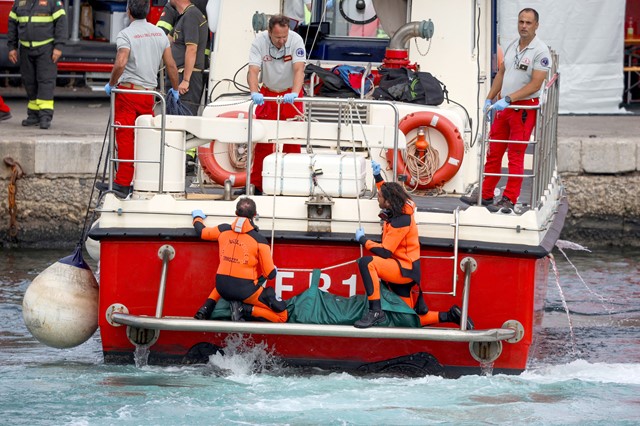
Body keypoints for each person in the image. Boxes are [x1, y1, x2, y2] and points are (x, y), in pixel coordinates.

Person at [353, 160, 474, 329]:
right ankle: (449, 315)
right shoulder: (403, 204)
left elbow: (386, 251)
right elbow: (388, 192)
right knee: (407, 320)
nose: (377, 198)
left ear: (388, 202)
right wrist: (377, 175)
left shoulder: (400, 221)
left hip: (402, 269)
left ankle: (375, 311)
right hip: (405, 269)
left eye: (379, 197)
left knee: (367, 263)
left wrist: (363, 240)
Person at [461, 8, 551, 212]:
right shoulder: (513, 46)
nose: (524, 26)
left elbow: (536, 84)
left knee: (516, 155)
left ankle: (509, 198)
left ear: (536, 25)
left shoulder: (540, 52)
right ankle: (485, 194)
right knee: (494, 151)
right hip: (504, 107)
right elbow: (502, 72)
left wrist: (510, 98)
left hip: (523, 108)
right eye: (521, 22)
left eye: (528, 23)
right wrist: (490, 97)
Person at [96, 0, 180, 198]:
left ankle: (122, 184)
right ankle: (143, 179)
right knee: (144, 136)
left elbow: (121, 62)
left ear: (128, 12)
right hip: (149, 95)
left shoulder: (125, 34)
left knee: (125, 136)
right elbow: (171, 66)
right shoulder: (159, 34)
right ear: (148, 11)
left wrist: (112, 83)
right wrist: (175, 89)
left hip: (128, 93)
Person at [237, 14, 306, 196]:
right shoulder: (259, 42)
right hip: (267, 93)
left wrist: (294, 93)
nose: (282, 41)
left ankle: (293, 186)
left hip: (291, 93)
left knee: (293, 142)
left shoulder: (296, 40)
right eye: (277, 38)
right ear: (269, 32)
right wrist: (254, 92)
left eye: (284, 37)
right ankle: (257, 186)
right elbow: (253, 71)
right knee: (263, 142)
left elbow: (299, 69)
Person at [192, 197, 288, 322]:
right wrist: (274, 270)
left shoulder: (223, 230)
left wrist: (197, 218)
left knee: (225, 282)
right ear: (254, 215)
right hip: (245, 292)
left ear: (236, 213)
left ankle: (205, 308)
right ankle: (244, 309)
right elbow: (269, 274)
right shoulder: (260, 240)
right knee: (282, 316)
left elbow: (202, 232)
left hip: (222, 287)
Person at [7, 0, 67, 130]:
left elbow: (61, 23)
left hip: (46, 49)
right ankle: (33, 115)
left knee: (45, 81)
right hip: (25, 49)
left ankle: (45, 116)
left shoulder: (53, 2)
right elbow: (12, 23)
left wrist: (58, 47)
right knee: (29, 82)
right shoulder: (20, 2)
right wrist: (12, 47)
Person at [168, 0, 208, 116]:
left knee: (183, 120)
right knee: (175, 121)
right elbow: (167, 40)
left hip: (187, 80)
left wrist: (186, 80)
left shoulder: (191, 16)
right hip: (181, 77)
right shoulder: (184, 16)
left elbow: (191, 49)